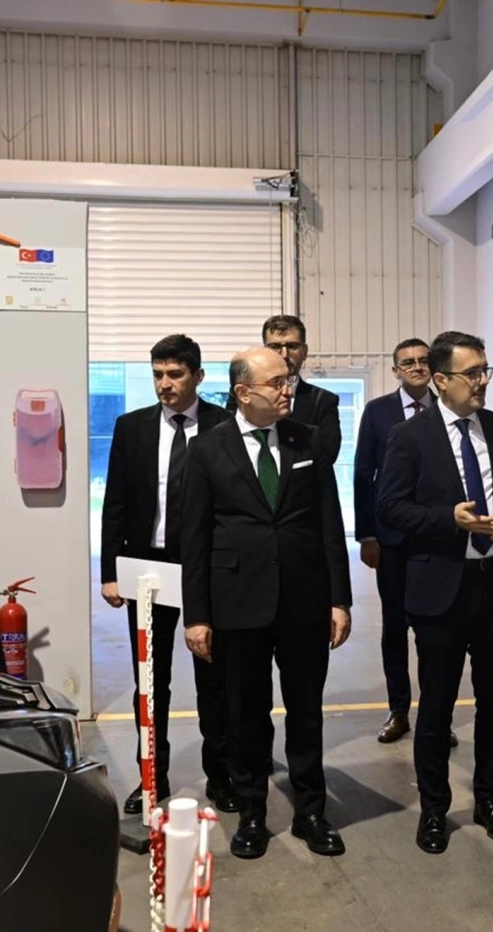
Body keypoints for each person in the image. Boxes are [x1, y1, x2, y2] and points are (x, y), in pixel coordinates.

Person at [180, 346, 352, 859]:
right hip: (238, 602)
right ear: (242, 392)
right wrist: (197, 615)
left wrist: (339, 599)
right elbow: (195, 539)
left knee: (306, 713)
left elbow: (329, 523)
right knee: (246, 716)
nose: (287, 390)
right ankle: (252, 812)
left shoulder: (307, 440)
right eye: (276, 382)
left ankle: (311, 812)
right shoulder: (207, 449)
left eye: (288, 380)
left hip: (304, 600)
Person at [377, 331, 493, 856]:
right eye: (473, 374)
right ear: (441, 380)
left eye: (486, 371)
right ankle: (434, 809)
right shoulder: (410, 437)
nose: (482, 381)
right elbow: (390, 509)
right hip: (441, 590)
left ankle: (490, 801)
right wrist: (448, 519)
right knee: (437, 708)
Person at [99, 334, 237, 815]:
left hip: (208, 570)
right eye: (157, 374)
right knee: (150, 682)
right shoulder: (132, 427)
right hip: (147, 570)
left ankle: (221, 776)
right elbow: (115, 503)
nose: (165, 384)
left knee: (214, 681)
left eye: (175, 374)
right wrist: (111, 571)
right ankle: (151, 779)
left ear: (198, 376)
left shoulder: (224, 426)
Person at [354, 337, 436, 744]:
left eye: (423, 360)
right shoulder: (377, 412)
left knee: (435, 630)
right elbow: (362, 474)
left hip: (436, 536)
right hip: (391, 538)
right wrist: (367, 534)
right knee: (395, 627)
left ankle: (436, 715)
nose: (417, 367)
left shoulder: (446, 409)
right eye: (408, 362)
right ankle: (399, 709)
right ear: (395, 370)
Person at [231, 314, 342, 454]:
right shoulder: (244, 392)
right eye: (275, 346)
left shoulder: (323, 401)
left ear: (304, 352)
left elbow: (327, 454)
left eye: (292, 346)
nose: (284, 354)